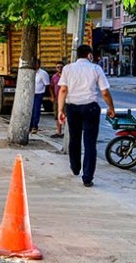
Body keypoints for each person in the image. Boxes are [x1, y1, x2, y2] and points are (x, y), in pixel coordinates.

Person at [58, 44, 115, 188]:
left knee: (74, 138)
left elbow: (63, 90)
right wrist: (111, 107)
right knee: (90, 143)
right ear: (89, 55)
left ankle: (75, 166)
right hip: (90, 108)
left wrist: (60, 110)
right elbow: (105, 92)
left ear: (77, 55)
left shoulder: (67, 69)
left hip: (73, 108)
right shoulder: (96, 69)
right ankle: (88, 177)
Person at [29, 59, 53, 134]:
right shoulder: (30, 72)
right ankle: (29, 125)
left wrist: (51, 95)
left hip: (38, 93)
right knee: (30, 110)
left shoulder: (43, 73)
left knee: (36, 110)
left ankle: (34, 126)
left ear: (39, 64)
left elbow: (47, 85)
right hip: (30, 93)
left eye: (36, 64)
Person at [50, 61, 65, 138]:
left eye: (61, 67)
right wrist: (52, 96)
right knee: (57, 115)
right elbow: (51, 87)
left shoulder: (66, 76)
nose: (59, 69)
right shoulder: (54, 77)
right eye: (58, 67)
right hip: (57, 98)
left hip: (65, 99)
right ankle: (58, 132)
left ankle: (66, 132)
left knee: (66, 115)